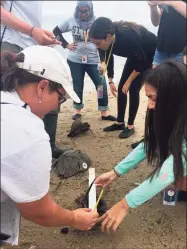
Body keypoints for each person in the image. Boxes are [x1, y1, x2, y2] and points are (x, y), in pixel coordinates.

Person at [1, 45, 98, 245]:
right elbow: (37, 210)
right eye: (60, 98)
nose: (58, 106)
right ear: (42, 87)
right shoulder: (28, 131)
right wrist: (74, 218)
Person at [94, 60, 187, 232]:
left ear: (173, 97)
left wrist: (125, 204)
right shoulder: (172, 112)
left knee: (176, 176)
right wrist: (116, 172)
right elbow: (150, 143)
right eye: (148, 98)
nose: (150, 106)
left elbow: (170, 168)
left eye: (153, 98)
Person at [0, 0, 63, 158]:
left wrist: (39, 35)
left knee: (51, 93)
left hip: (34, 46)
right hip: (12, 42)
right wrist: (32, 30)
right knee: (13, 102)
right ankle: (15, 151)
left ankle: (48, 146)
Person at [89, 17, 157, 139]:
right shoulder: (105, 42)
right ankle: (120, 123)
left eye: (98, 43)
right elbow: (108, 58)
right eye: (94, 43)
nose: (96, 47)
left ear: (108, 37)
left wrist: (129, 81)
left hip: (148, 55)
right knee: (121, 88)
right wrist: (110, 80)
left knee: (133, 89)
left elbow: (141, 62)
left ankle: (130, 126)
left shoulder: (127, 38)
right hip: (135, 55)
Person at [53, 1, 116, 121]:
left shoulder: (97, 22)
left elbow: (104, 44)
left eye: (86, 11)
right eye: (80, 11)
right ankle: (78, 110)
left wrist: (103, 61)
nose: (83, 14)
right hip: (75, 59)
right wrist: (66, 45)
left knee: (100, 85)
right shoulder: (71, 20)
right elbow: (56, 31)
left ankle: (104, 111)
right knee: (78, 86)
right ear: (77, 10)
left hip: (94, 60)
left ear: (91, 10)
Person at [148, 0, 186, 67]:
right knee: (155, 76)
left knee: (177, 76)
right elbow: (155, 23)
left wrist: (171, 2)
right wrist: (153, 7)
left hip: (180, 51)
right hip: (160, 49)